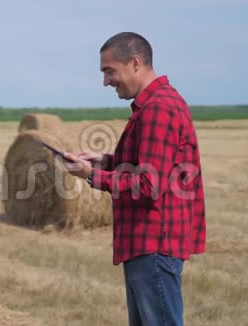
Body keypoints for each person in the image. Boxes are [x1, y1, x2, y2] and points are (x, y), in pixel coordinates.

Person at [61, 32, 206, 326]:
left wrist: (92, 176)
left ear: (135, 63)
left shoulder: (158, 109)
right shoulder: (156, 105)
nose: (105, 81)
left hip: (153, 244)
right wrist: (104, 161)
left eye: (109, 71)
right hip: (148, 245)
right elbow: (153, 167)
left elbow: (148, 185)